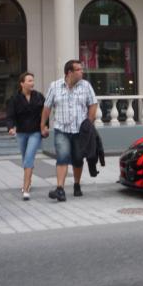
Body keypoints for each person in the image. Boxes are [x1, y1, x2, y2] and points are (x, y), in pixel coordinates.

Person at [41, 59, 98, 202]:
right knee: (62, 157)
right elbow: (47, 107)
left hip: (80, 131)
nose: (82, 71)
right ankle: (60, 189)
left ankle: (77, 184)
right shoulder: (54, 86)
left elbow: (93, 104)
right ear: (69, 73)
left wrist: (89, 123)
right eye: (79, 69)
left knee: (78, 159)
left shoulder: (86, 86)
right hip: (61, 129)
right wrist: (43, 125)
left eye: (81, 69)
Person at [6, 72, 45, 201]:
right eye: (29, 81)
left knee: (28, 157)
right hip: (21, 133)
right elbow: (10, 116)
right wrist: (11, 127)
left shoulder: (39, 96)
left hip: (35, 132)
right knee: (25, 158)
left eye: (32, 80)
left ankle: (26, 188)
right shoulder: (14, 99)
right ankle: (29, 180)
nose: (32, 83)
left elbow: (45, 113)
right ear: (22, 83)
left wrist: (45, 126)